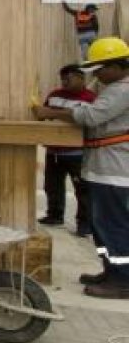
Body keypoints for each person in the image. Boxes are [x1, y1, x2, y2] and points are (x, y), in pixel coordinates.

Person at [33, 37, 129, 299]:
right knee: (101, 226)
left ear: (118, 66)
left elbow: (92, 116)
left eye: (100, 68)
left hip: (115, 171)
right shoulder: (115, 88)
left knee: (114, 226)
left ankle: (122, 280)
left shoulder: (123, 90)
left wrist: (50, 112)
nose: (96, 74)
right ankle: (111, 270)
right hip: (103, 168)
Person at [38, 64, 96, 235]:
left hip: (77, 152)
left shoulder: (91, 99)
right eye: (62, 79)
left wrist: (53, 113)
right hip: (53, 151)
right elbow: (44, 114)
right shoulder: (54, 95)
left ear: (81, 78)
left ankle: (84, 224)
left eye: (68, 79)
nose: (64, 83)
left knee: (82, 189)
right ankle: (55, 215)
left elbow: (88, 121)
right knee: (52, 186)